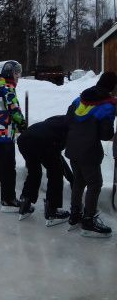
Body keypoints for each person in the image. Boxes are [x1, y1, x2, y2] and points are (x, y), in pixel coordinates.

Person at [65, 71, 117, 237]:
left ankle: (75, 215)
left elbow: (68, 119)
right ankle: (88, 220)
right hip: (88, 151)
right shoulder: (107, 105)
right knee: (95, 183)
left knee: (79, 181)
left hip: (72, 148)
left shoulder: (79, 99)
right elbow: (105, 135)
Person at [0, 60, 26, 212]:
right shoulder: (7, 88)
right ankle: (8, 200)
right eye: (16, 73)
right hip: (3, 133)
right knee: (8, 166)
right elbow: (14, 109)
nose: (18, 77)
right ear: (10, 73)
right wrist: (22, 123)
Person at [17, 115, 70, 226]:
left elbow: (58, 156)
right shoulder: (70, 129)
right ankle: (52, 212)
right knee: (55, 173)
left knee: (34, 171)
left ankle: (25, 204)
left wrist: (70, 177)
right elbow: (58, 159)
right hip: (41, 141)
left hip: (24, 139)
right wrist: (72, 179)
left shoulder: (59, 120)